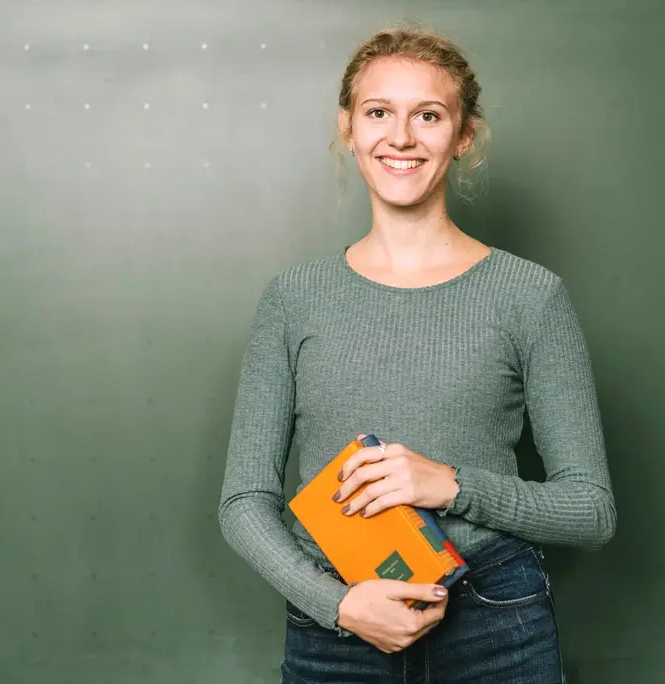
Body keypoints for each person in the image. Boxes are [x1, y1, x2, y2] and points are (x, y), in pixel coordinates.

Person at [217, 23, 616, 684]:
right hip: (334, 623)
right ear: (348, 129)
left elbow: (591, 511)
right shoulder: (292, 299)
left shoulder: (532, 296)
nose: (401, 137)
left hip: (496, 621)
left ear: (463, 136)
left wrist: (452, 486)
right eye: (379, 112)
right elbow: (243, 502)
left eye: (428, 115)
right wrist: (336, 605)